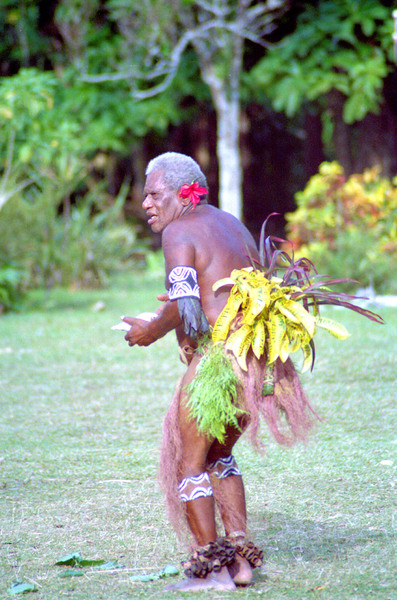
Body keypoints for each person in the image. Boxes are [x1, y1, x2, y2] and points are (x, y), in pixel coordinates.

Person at [122, 152, 314, 591]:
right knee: (219, 456)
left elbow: (188, 307)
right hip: (259, 364)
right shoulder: (232, 224)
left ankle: (213, 572)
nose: (147, 204)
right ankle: (241, 562)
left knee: (187, 462)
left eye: (154, 194)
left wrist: (150, 330)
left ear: (182, 192)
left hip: (220, 361)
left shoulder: (178, 231)